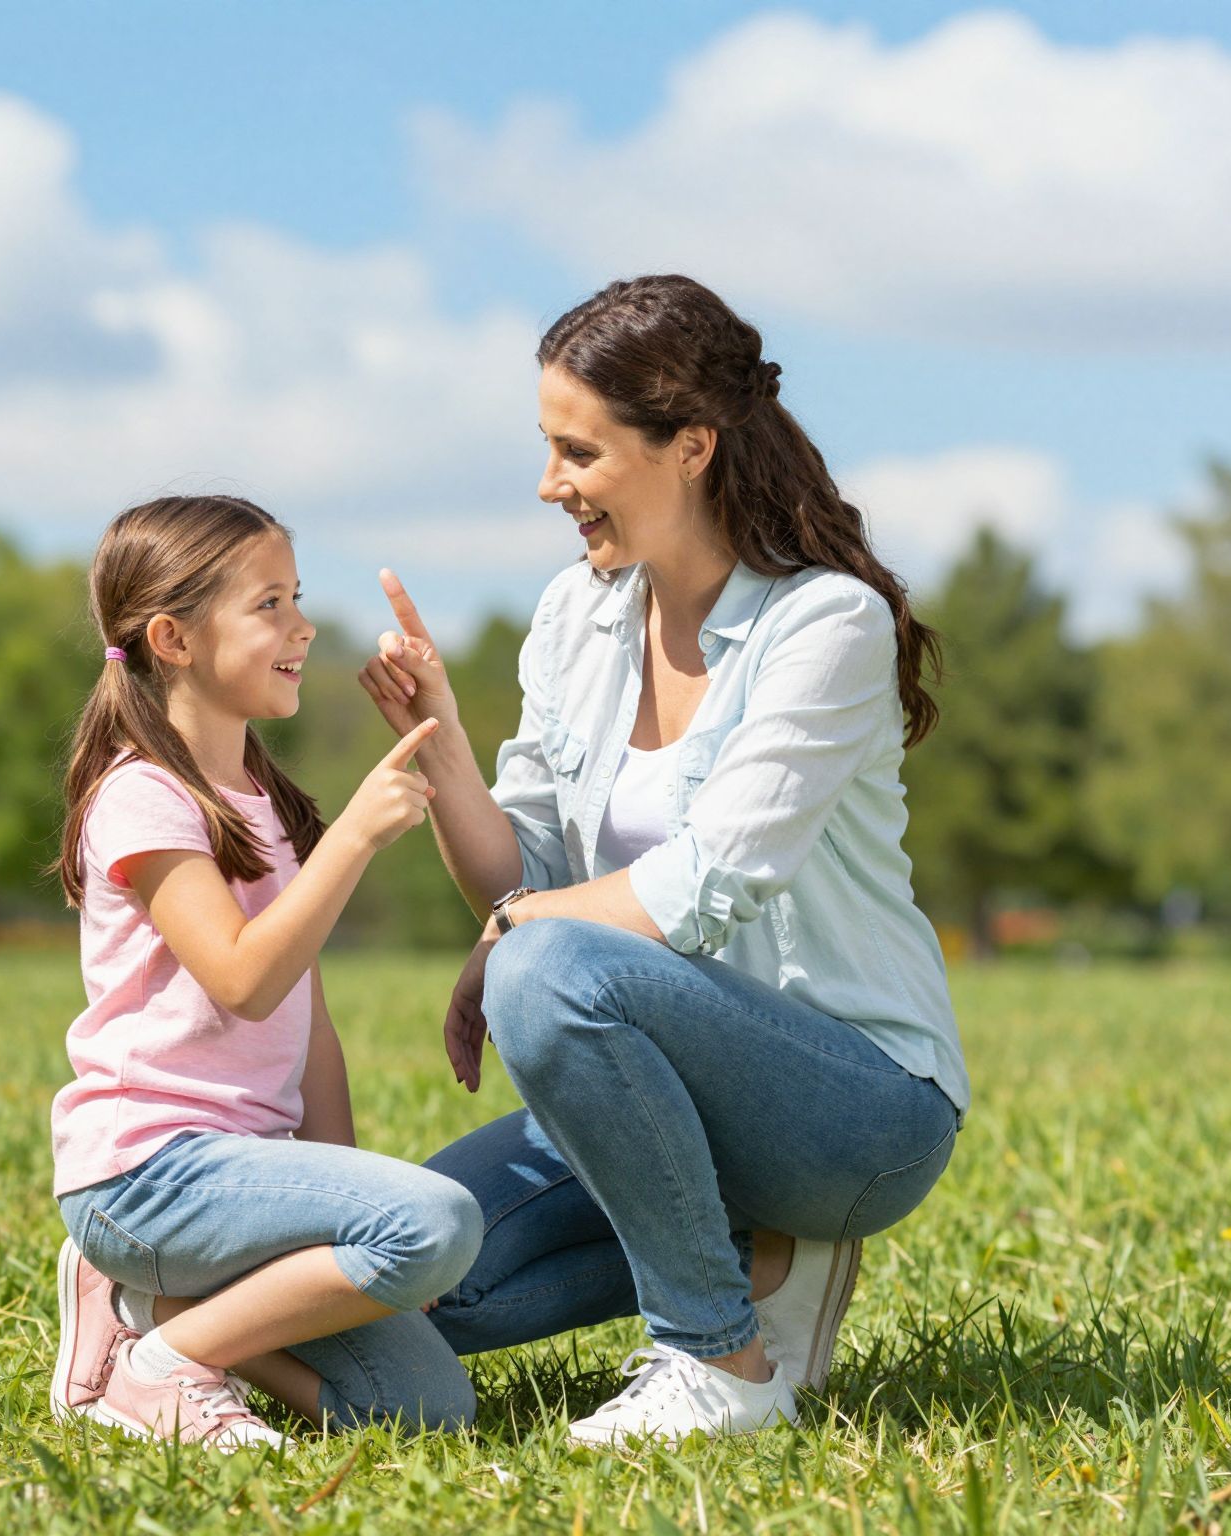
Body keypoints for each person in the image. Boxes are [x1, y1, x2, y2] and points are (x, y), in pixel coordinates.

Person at [357, 275, 971, 1446]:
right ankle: (750, 1257)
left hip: (850, 1106)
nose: (550, 485)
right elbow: (518, 876)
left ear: (687, 446)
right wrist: (432, 744)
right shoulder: (571, 618)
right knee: (392, 1276)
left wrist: (513, 941)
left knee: (544, 968)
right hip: (649, 1090)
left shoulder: (824, 626)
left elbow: (703, 888)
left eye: (575, 452)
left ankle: (717, 1358)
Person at [47, 494, 483, 1451]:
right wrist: (357, 837)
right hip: (147, 1178)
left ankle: (160, 1326)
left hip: (243, 1181)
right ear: (173, 637)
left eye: (298, 597)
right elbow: (242, 978)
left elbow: (306, 1020)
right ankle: (157, 1370)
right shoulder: (141, 796)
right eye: (270, 604)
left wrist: (350, 1183)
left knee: (429, 1413)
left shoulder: (267, 803)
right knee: (437, 1222)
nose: (303, 626)